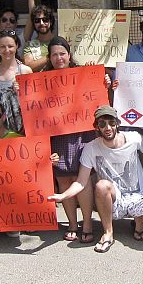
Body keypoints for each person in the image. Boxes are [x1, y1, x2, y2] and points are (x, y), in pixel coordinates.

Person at [48, 106, 143, 253]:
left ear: (117, 124)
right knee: (101, 186)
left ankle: (139, 220)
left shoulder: (134, 138)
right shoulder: (91, 148)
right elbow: (81, 181)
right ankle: (108, 233)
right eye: (102, 124)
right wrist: (63, 196)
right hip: (113, 200)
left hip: (138, 196)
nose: (108, 127)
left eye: (111, 123)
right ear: (96, 128)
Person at [0, 100, 59, 252]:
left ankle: (13, 224)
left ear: (4, 117)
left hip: (13, 190)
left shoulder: (17, 138)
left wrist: (48, 161)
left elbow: (34, 167)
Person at [42, 36, 98, 244]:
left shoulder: (83, 74)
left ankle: (87, 224)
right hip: (57, 135)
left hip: (81, 134)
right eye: (54, 54)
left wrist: (105, 81)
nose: (59, 58)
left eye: (62, 53)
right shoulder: (42, 79)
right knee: (64, 178)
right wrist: (21, 91)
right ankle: (72, 225)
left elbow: (97, 95)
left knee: (81, 179)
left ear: (69, 54)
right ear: (50, 57)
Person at [0, 30, 32, 134]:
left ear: (17, 46)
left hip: (19, 126)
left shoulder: (25, 70)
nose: (7, 50)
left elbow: (33, 103)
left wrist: (21, 93)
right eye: (2, 46)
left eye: (10, 46)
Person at [23, 4, 56, 72]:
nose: (41, 23)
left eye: (45, 19)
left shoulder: (59, 41)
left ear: (51, 21)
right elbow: (28, 68)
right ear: (34, 24)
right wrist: (50, 56)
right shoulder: (30, 45)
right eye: (37, 21)